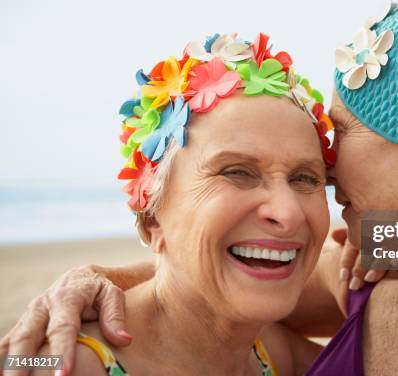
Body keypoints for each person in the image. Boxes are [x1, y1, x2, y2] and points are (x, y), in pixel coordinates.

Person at [3, 0, 398, 375]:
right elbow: (203, 291)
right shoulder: (378, 265)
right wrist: (87, 279)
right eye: (238, 170)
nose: (325, 166)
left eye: (339, 135)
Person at [0, 32, 373, 375]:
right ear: (151, 219)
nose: (287, 212)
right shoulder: (63, 361)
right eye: (237, 172)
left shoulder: (271, 351)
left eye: (305, 178)